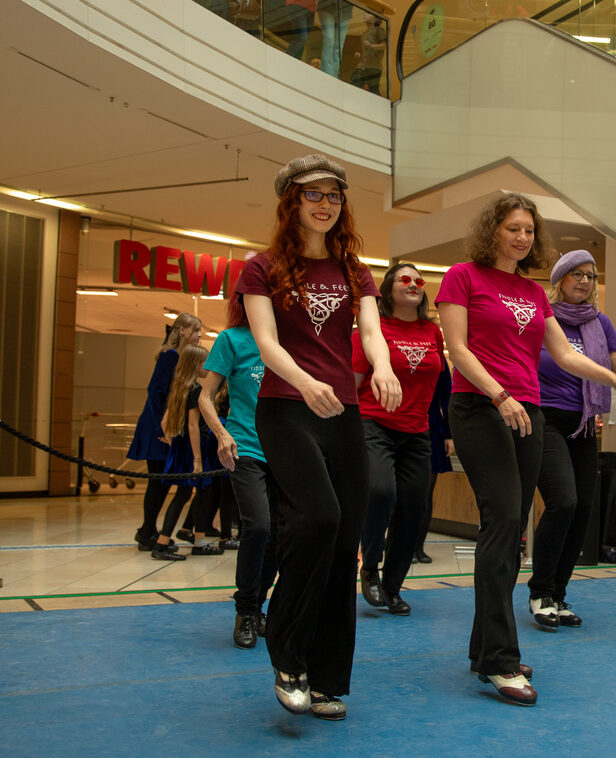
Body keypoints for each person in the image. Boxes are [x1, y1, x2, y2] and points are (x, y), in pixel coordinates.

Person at [436, 193, 616, 707]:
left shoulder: (530, 291)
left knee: (508, 534)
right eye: (512, 228)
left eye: (529, 229)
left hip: (529, 411)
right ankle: (502, 662)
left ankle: (485, 647)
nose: (523, 237)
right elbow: (457, 351)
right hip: (481, 407)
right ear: (493, 231)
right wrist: (499, 394)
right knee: (504, 521)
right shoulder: (462, 276)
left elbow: (565, 354)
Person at [237, 154, 401, 721]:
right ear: (292, 202)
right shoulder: (261, 268)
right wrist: (307, 384)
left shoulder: (355, 270)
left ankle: (327, 677)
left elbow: (373, 331)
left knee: (342, 542)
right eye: (314, 194)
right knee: (319, 520)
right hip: (286, 409)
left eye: (334, 195)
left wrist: (382, 368)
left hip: (344, 415)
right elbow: (266, 342)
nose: (326, 204)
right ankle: (287, 655)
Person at [528, 249, 616, 630]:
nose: (584, 281)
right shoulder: (542, 318)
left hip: (585, 423)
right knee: (564, 501)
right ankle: (540, 590)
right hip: (545, 419)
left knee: (583, 510)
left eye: (591, 276)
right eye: (576, 274)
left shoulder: (600, 322)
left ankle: (558, 594)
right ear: (559, 280)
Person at [354, 263, 446, 616]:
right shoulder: (372, 329)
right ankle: (370, 568)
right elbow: (353, 380)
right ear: (388, 288)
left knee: (414, 508)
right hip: (373, 424)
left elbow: (440, 385)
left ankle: (392, 586)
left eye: (418, 280)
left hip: (418, 431)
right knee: (380, 492)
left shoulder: (432, 332)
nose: (414, 284)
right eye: (404, 279)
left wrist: (443, 427)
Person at [198, 294, 279, 650]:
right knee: (258, 525)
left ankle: (258, 605)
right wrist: (222, 433)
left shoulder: (290, 343)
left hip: (287, 452)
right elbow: (205, 395)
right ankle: (245, 611)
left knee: (279, 532)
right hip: (245, 446)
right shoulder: (232, 339)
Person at [127, 312, 201, 550]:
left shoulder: (181, 357)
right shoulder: (169, 356)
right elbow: (155, 393)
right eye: (195, 331)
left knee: (163, 481)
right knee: (157, 481)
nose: (199, 336)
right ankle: (147, 530)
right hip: (157, 426)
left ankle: (148, 529)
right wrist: (162, 425)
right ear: (182, 331)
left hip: (166, 425)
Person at [150, 344, 225, 561]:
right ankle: (164, 543)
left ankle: (195, 540)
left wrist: (171, 439)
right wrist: (198, 459)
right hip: (194, 448)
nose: (208, 367)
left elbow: (166, 421)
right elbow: (193, 425)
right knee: (188, 495)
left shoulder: (180, 388)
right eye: (205, 362)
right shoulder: (194, 390)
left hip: (182, 448)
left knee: (196, 494)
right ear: (196, 364)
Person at [413, 359, 454, 564]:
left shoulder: (436, 355)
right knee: (400, 492)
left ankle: (418, 547)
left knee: (425, 493)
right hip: (399, 423)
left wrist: (449, 434)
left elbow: (447, 397)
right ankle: (401, 544)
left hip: (431, 427)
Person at [349, 13, 386, 93]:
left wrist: (371, 46)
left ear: (376, 18)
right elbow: (365, 51)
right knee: (353, 86)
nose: (365, 14)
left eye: (368, 13)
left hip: (374, 68)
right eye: (365, 13)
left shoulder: (379, 30)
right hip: (362, 67)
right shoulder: (364, 33)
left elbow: (383, 46)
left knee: (373, 91)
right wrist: (359, 54)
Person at [316, 0, 353, 78]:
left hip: (346, 10)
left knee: (339, 45)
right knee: (329, 39)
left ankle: (334, 75)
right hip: (327, 5)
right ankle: (326, 73)